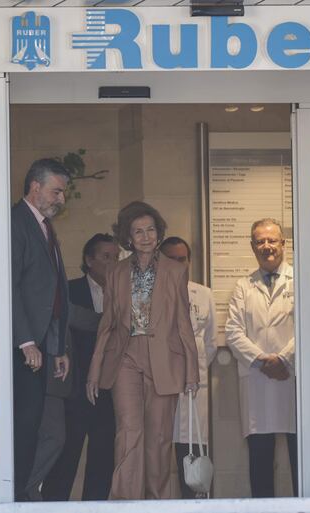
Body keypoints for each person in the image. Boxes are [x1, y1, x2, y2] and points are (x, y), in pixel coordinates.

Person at [86, 201, 200, 500]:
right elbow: (107, 324)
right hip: (125, 357)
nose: (146, 236)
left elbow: (183, 322)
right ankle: (124, 502)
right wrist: (94, 371)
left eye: (150, 229)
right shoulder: (116, 272)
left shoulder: (176, 271)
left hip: (164, 358)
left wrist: (191, 370)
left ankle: (157, 502)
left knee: (159, 439)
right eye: (138, 231)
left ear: (158, 233)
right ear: (128, 237)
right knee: (128, 433)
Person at [11, 158, 72, 501]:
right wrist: (26, 341)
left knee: (37, 428)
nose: (61, 199)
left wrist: (58, 347)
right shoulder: (16, 221)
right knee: (23, 427)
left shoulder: (45, 226)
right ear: (35, 187)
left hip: (43, 348)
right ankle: (17, 499)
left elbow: (53, 293)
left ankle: (24, 494)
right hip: (24, 349)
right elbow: (12, 286)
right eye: (57, 191)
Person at [42, 234, 120, 501]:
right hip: (74, 389)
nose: (113, 263)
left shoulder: (123, 295)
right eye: (106, 257)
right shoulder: (69, 289)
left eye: (116, 257)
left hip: (108, 390)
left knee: (102, 462)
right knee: (65, 459)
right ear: (89, 260)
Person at [225, 218, 297, 498]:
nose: (267, 246)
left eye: (272, 240)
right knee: (260, 457)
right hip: (257, 378)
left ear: (283, 243)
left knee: (299, 453)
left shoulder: (299, 279)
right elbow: (233, 331)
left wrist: (284, 359)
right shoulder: (244, 286)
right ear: (252, 246)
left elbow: (309, 325)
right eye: (260, 241)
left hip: (291, 376)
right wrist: (263, 361)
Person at [159, 237, 217, 499]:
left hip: (195, 387)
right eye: (170, 259)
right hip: (163, 386)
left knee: (192, 453)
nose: (177, 264)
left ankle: (194, 503)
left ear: (189, 261)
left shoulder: (203, 294)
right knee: (160, 453)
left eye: (182, 259)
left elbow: (211, 343)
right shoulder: (151, 293)